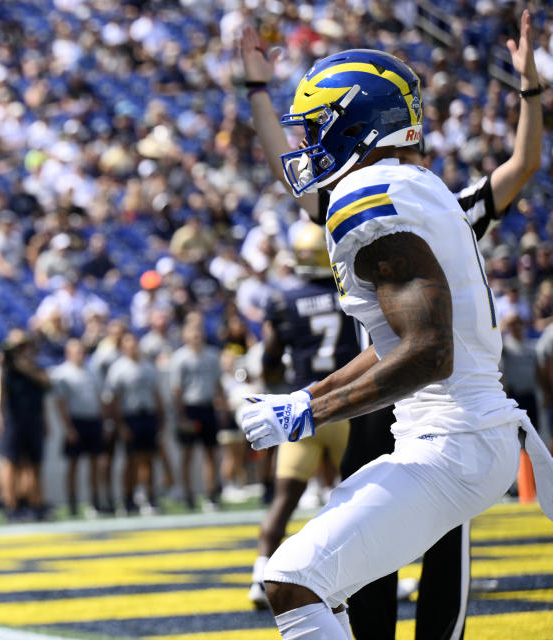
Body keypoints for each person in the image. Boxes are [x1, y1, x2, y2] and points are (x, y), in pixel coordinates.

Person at [239, 11, 545, 638]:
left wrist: (308, 414)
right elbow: (397, 342)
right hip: (444, 430)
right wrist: (308, 396)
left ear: (356, 123)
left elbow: (428, 353)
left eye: (319, 126)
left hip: (448, 437)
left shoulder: (370, 198)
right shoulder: (414, 186)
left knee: (292, 578)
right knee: (333, 581)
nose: (307, 144)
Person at [247, 222, 361, 609]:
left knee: (283, 499)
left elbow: (269, 360)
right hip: (347, 407)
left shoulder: (282, 300)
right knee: (358, 500)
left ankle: (259, 575)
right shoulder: (351, 292)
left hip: (303, 411)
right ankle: (364, 580)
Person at [169, 320, 227, 511]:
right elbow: (176, 389)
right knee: (188, 453)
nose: (196, 336)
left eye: (198, 331)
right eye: (192, 332)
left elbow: (218, 384)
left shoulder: (211, 355)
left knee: (210, 452)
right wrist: (182, 415)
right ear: (185, 336)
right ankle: (187, 494)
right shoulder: (180, 358)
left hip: (207, 406)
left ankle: (211, 493)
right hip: (190, 408)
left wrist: (222, 406)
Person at [106, 331, 164, 514]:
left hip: (148, 415)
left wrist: (161, 418)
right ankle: (128, 497)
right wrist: (120, 424)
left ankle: (149, 495)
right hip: (130, 416)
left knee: (149, 458)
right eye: (128, 343)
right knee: (131, 460)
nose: (132, 347)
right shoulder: (118, 369)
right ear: (123, 347)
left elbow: (156, 394)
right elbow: (113, 399)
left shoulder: (148, 366)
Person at [51, 337, 109, 517]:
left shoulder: (92, 372)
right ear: (68, 353)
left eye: (82, 351)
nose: (80, 354)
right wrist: (69, 428)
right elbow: (61, 403)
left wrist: (105, 422)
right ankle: (73, 502)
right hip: (76, 421)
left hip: (93, 420)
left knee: (95, 462)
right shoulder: (62, 373)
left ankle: (95, 500)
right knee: (74, 464)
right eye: (76, 351)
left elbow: (100, 398)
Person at [0, 328, 51, 521]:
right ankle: (11, 505)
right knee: (11, 462)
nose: (23, 350)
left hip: (34, 420)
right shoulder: (7, 370)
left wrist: (23, 365)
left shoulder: (35, 367)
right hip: (14, 420)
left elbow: (46, 384)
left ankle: (34, 502)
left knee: (33, 463)